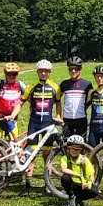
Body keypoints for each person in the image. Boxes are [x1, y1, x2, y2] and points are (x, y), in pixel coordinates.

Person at [21, 59, 63, 195]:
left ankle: (47, 184)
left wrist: (59, 116)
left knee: (47, 155)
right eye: (41, 71)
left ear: (49, 72)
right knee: (30, 154)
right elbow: (21, 102)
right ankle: (27, 185)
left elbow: (58, 103)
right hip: (34, 124)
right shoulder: (31, 87)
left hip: (47, 123)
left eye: (46, 71)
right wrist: (13, 114)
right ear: (38, 72)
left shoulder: (55, 88)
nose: (43, 73)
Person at [58, 135, 98, 206]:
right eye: (73, 149)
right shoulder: (65, 158)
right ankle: (71, 196)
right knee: (65, 177)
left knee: (95, 191)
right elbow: (64, 170)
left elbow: (91, 174)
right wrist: (79, 175)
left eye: (78, 149)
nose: (75, 151)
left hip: (83, 185)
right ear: (69, 148)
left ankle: (78, 199)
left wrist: (90, 182)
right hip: (72, 184)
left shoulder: (84, 160)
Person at [0, 62, 26, 138]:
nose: (11, 76)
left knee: (14, 139)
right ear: (5, 74)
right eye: (9, 74)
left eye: (14, 74)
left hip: (12, 116)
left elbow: (29, 97)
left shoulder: (20, 84)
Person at [59, 57, 91, 140]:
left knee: (81, 144)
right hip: (67, 119)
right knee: (67, 143)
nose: (73, 71)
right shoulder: (64, 84)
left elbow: (92, 100)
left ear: (80, 69)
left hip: (81, 118)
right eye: (71, 69)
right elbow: (57, 100)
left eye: (76, 69)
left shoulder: (87, 84)